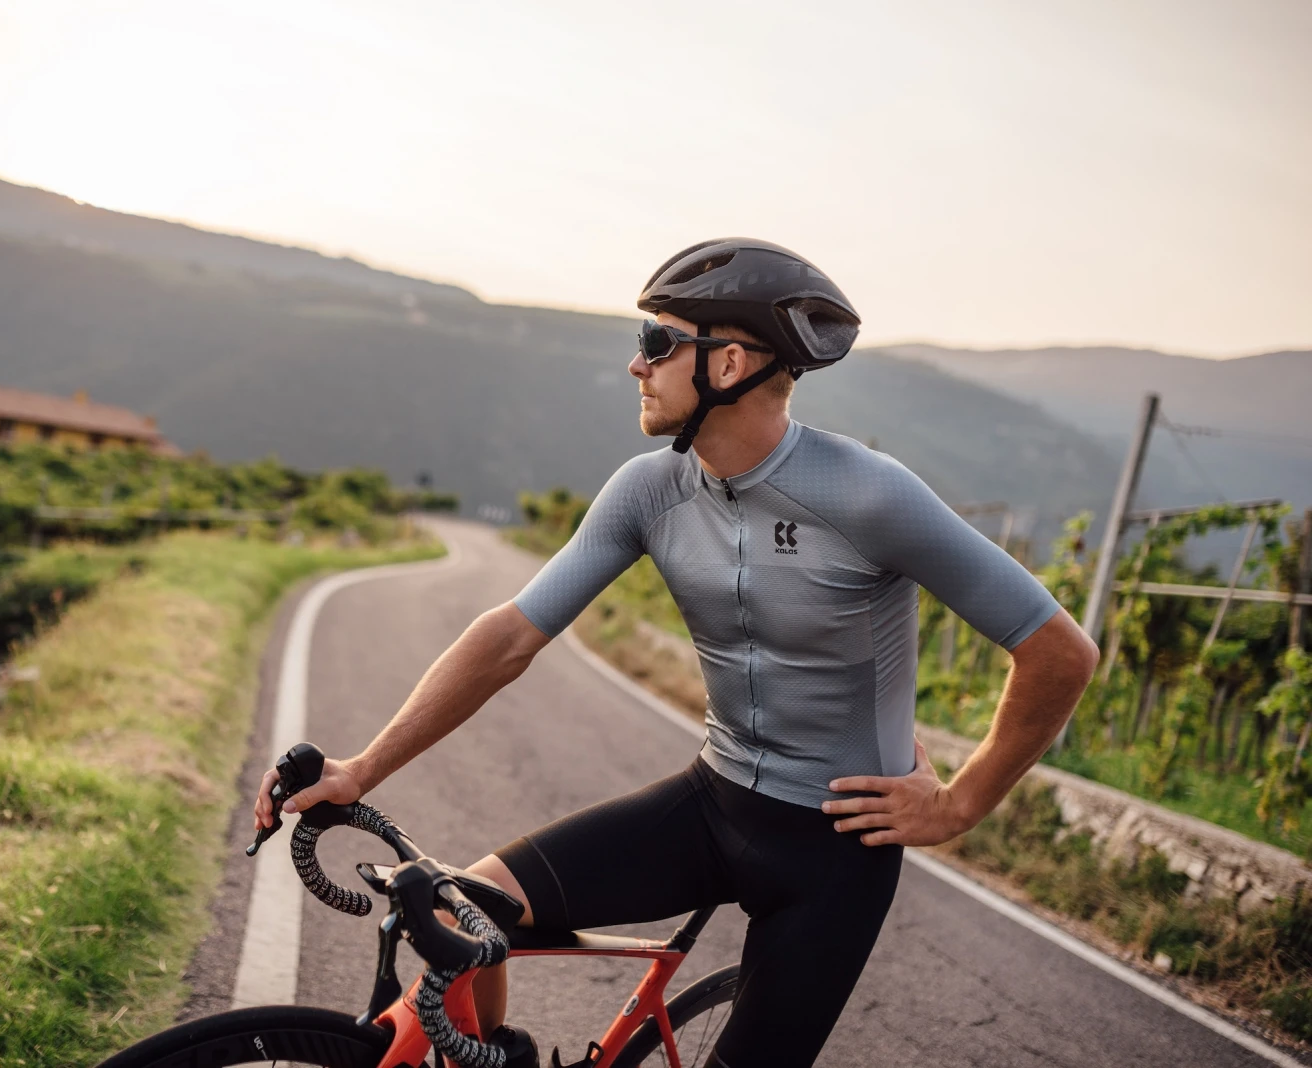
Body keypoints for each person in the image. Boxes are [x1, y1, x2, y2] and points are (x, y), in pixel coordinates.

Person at [254, 239, 1099, 1067]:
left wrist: (958, 806)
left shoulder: (869, 494)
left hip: (834, 855)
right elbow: (509, 637)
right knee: (465, 915)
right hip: (711, 803)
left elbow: (1059, 652)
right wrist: (362, 769)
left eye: (657, 342)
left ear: (729, 364)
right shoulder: (649, 490)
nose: (637, 364)